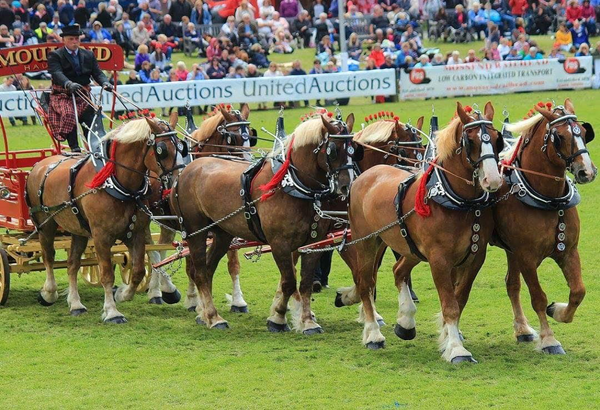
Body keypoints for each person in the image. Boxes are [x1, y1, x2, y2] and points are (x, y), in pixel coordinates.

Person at [47, 24, 112, 152]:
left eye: (76, 39)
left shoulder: (88, 55)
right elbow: (57, 73)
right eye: (71, 39)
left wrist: (105, 82)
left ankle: (94, 148)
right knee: (69, 113)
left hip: (83, 95)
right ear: (63, 40)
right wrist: (68, 84)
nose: (74, 42)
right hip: (63, 95)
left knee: (92, 118)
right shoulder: (55, 55)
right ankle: (75, 148)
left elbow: (97, 73)